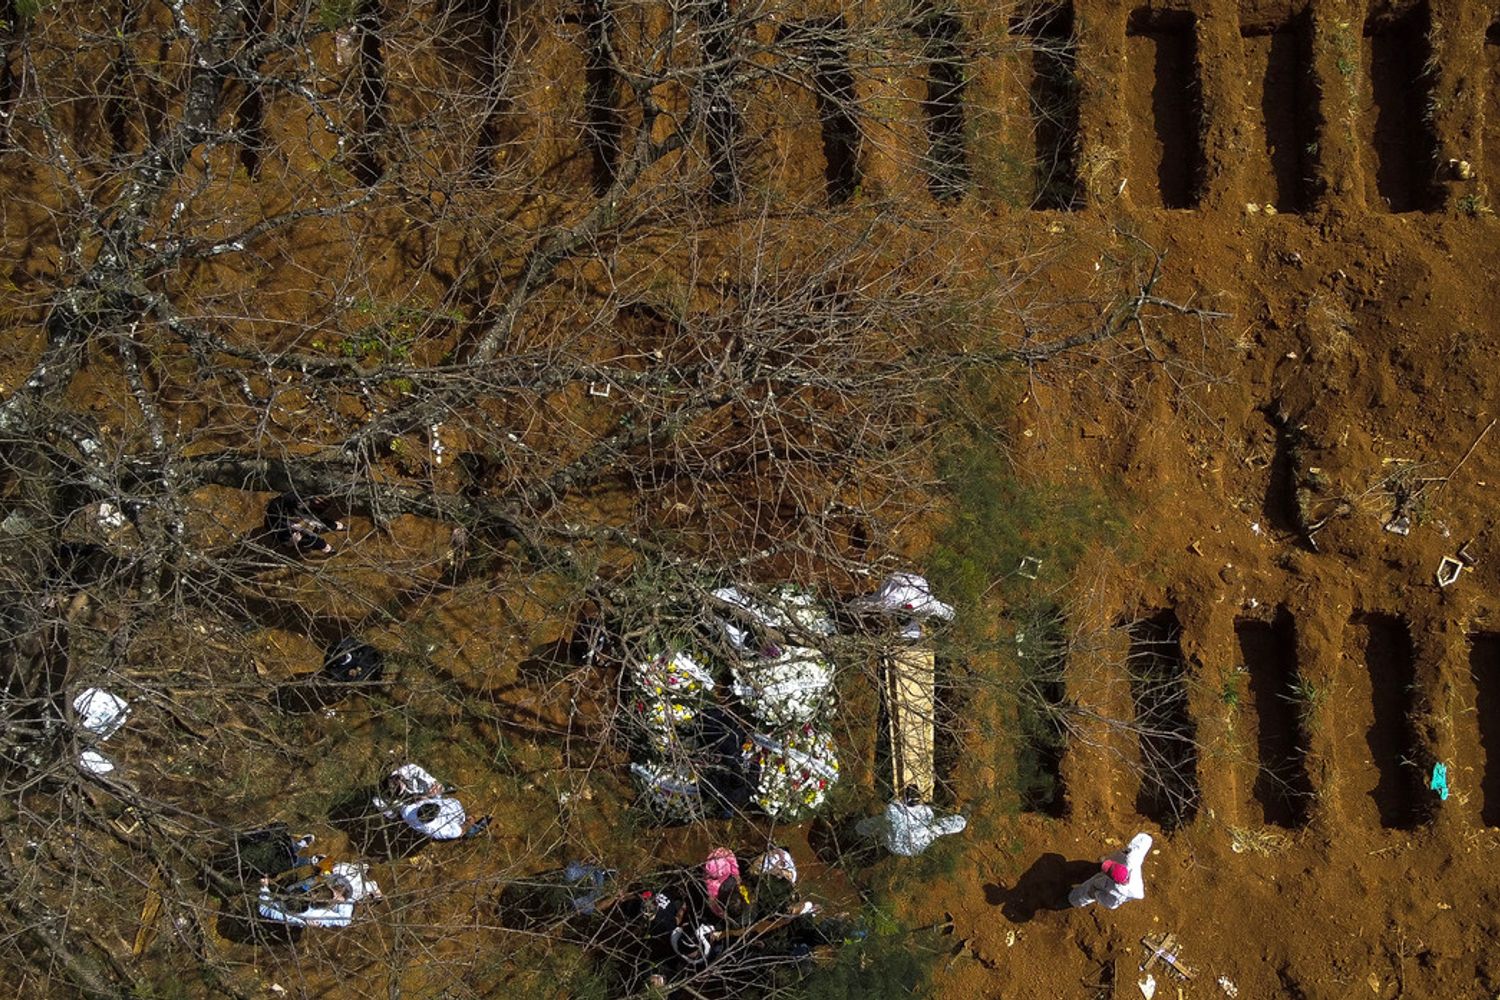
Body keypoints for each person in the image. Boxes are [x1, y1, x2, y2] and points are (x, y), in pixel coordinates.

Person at [373, 763, 489, 840]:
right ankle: (471, 832)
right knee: (459, 830)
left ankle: (442, 789)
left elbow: (416, 770)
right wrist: (467, 825)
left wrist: (433, 789)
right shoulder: (431, 825)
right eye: (399, 791)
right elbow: (394, 815)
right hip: (446, 819)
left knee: (436, 788)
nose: (402, 786)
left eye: (400, 783)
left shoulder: (401, 774)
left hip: (432, 799)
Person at [856, 785, 966, 857]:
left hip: (892, 846)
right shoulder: (926, 812)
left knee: (880, 822)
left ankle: (859, 829)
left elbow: (889, 812)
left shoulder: (892, 809)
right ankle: (961, 821)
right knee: (936, 828)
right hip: (915, 849)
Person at [1068, 832, 1153, 910]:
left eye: (1108, 871)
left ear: (1112, 879)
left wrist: (1096, 893)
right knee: (1118, 857)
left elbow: (1110, 904)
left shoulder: (1119, 893)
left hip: (1101, 887)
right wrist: (1147, 837)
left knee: (1086, 892)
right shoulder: (1132, 861)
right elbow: (1139, 847)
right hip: (1108, 878)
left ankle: (1073, 900)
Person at [264, 492, 344, 555]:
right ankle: (325, 548)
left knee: (314, 520)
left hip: (289, 514)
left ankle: (334, 526)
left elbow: (312, 515)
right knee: (300, 538)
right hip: (282, 529)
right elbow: (301, 533)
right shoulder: (276, 521)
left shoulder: (297, 498)